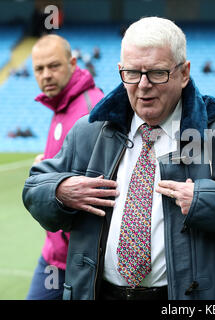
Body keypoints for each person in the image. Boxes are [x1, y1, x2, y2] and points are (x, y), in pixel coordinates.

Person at [23, 17, 215, 300]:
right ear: (121, 70)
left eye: (157, 73)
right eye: (132, 73)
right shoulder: (91, 131)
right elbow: (34, 187)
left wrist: (206, 200)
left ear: (184, 73)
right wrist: (60, 191)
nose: (143, 85)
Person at [26, 34, 104, 300]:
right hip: (54, 255)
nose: (46, 75)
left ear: (72, 63)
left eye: (54, 66)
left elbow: (102, 181)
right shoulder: (61, 105)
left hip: (80, 259)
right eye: (39, 68)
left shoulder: (91, 109)